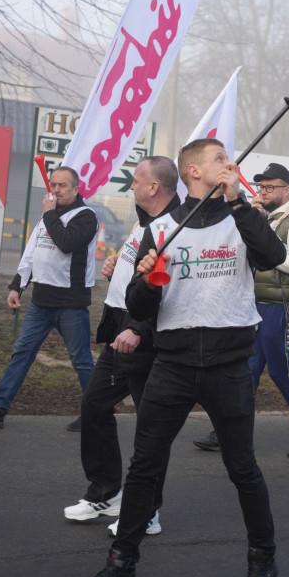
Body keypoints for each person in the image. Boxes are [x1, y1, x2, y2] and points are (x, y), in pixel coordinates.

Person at [74, 138, 286, 577]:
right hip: (172, 363)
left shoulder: (242, 216)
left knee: (242, 467)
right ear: (192, 171)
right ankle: (120, 566)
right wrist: (148, 279)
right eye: (217, 159)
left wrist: (237, 200)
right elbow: (139, 305)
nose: (227, 163)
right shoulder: (163, 227)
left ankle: (262, 560)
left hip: (229, 365)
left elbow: (273, 257)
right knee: (144, 466)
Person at [63, 157, 180, 536]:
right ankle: (106, 492)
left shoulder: (173, 226)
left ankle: (147, 511)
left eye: (136, 181)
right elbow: (140, 271)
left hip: (144, 339)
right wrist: (118, 266)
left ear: (153, 188)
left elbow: (170, 288)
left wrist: (139, 329)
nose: (130, 187)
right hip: (120, 329)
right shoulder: (143, 220)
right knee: (94, 407)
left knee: (151, 429)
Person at [194, 162, 289, 459]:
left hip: (282, 305)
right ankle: (229, 430)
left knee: (282, 371)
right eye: (262, 186)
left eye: (270, 187)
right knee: (246, 372)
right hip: (257, 305)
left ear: (287, 190)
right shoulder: (267, 218)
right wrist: (252, 222)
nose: (263, 192)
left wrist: (265, 246)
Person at [0, 166, 97, 429]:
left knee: (81, 361)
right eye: (53, 184)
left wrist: (49, 215)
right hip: (41, 303)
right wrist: (16, 287)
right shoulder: (48, 217)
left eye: (63, 185)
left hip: (70, 305)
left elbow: (66, 243)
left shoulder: (86, 217)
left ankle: (98, 413)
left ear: (76, 189)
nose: (56, 190)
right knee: (22, 352)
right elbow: (33, 254)